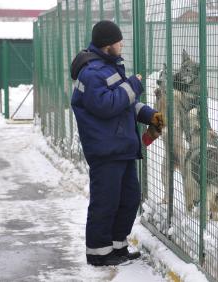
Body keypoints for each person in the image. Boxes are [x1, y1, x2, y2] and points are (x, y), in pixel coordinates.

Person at [70, 20, 164, 266]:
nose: (122, 44)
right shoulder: (91, 73)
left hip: (121, 147)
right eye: (119, 40)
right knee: (106, 202)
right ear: (107, 44)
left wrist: (148, 115)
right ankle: (99, 254)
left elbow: (125, 104)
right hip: (105, 150)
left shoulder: (109, 67)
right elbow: (106, 105)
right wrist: (134, 84)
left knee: (129, 199)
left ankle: (117, 247)